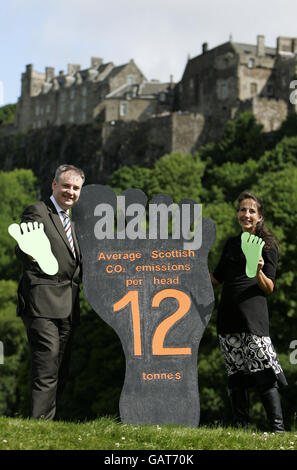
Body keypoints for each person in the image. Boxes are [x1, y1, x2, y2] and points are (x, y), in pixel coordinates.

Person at [210, 191, 287, 432]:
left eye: (251, 211)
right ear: (237, 214)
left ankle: (277, 428)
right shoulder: (232, 243)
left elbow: (269, 288)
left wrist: (257, 270)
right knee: (236, 374)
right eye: (243, 210)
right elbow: (216, 279)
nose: (246, 214)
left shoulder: (268, 245)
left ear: (260, 216)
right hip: (228, 317)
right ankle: (240, 427)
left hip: (252, 319)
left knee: (263, 371)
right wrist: (186, 268)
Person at [15, 164, 85, 420]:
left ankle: (48, 422)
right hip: (41, 302)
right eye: (66, 185)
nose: (71, 192)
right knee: (46, 362)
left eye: (76, 188)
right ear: (53, 185)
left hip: (69, 305)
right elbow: (24, 247)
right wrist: (31, 251)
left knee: (60, 367)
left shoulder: (74, 223)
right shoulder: (37, 211)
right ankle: (38, 425)